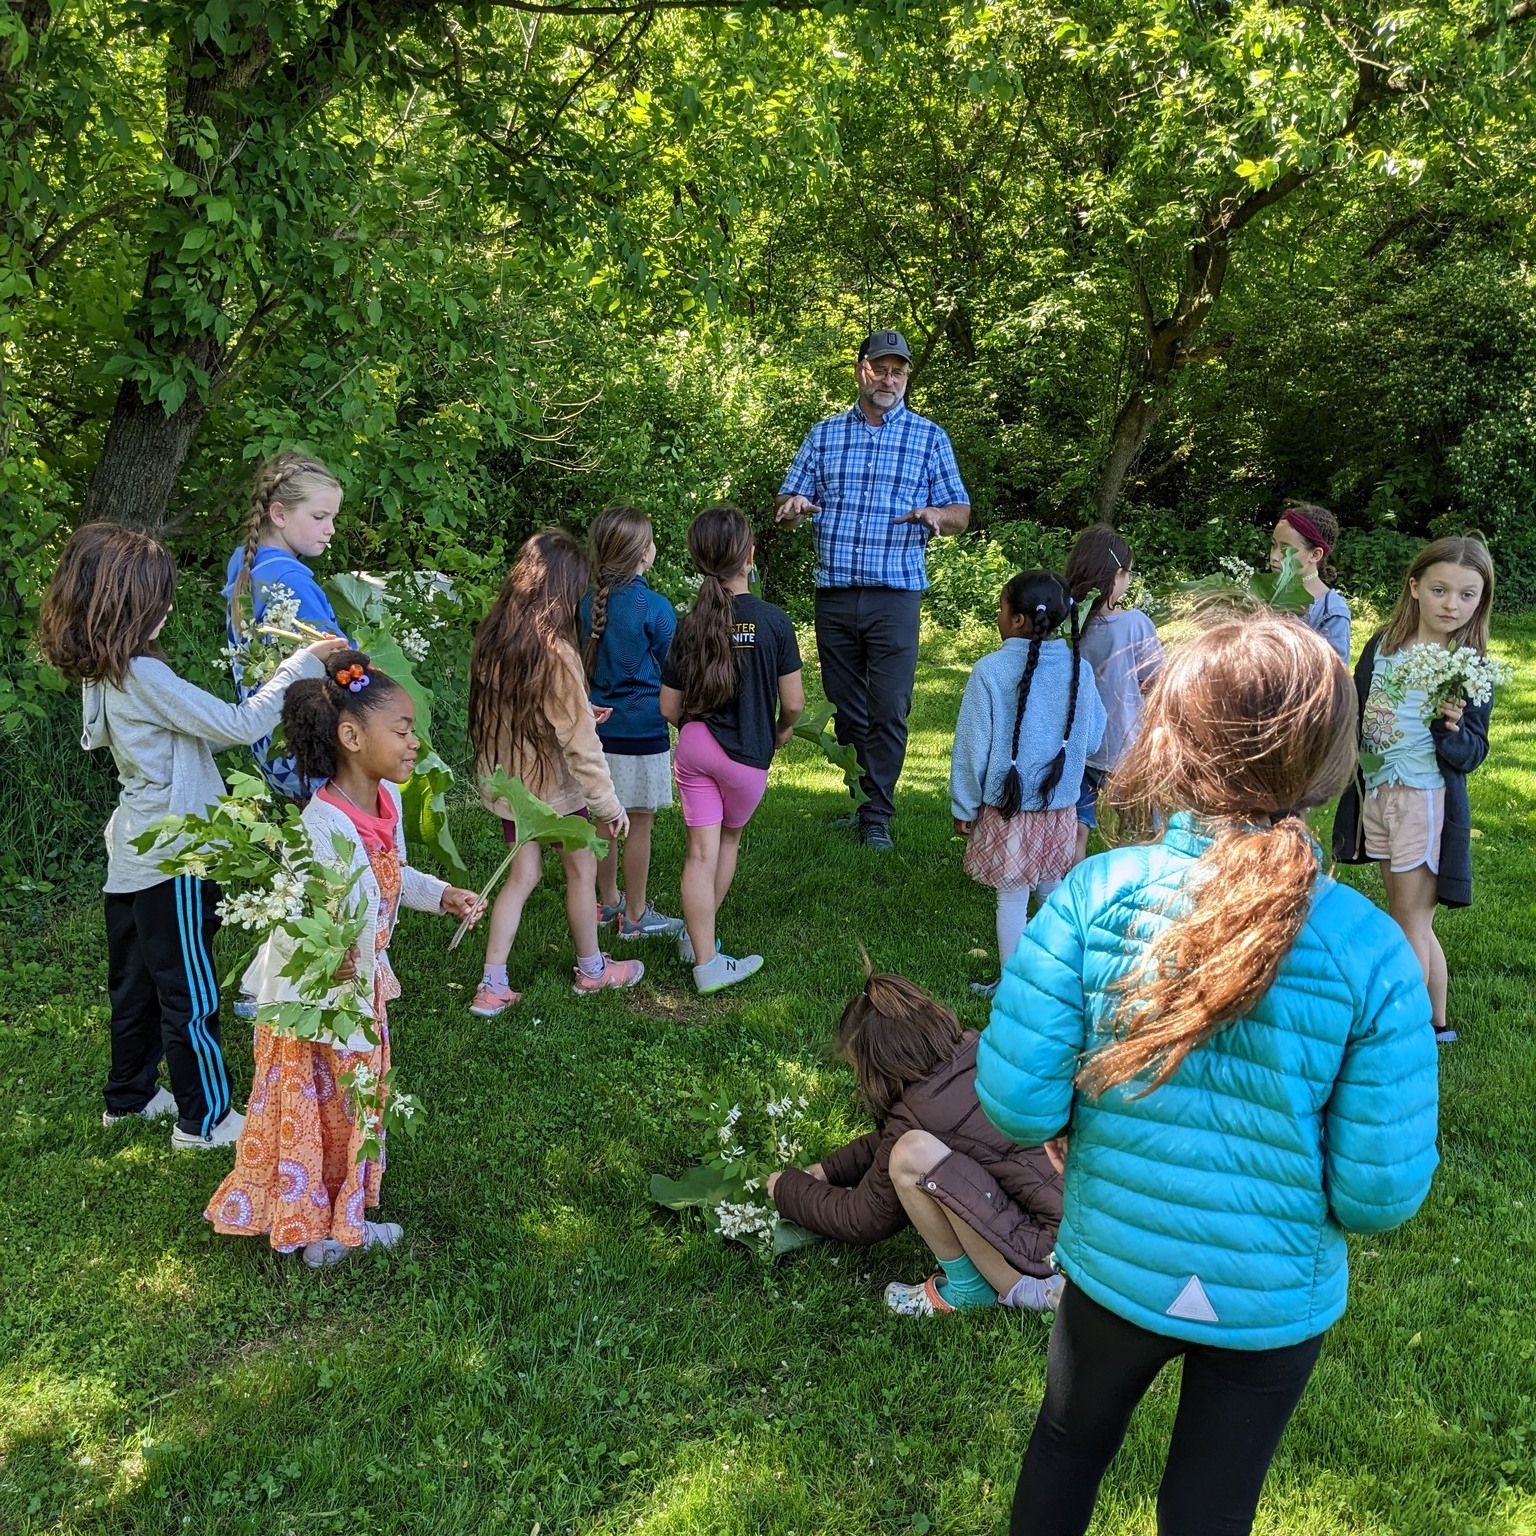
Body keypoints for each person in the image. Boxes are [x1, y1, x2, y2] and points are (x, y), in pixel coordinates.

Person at [977, 615, 1439, 1536]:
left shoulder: (1094, 893)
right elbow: (1378, 1193)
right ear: (1329, 756)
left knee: (1067, 1446)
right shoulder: (1372, 950)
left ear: (1170, 737)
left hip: (1117, 1262)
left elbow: (1018, 1104)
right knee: (1212, 1507)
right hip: (1272, 1291)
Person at [36, 523, 343, 1149]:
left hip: (131, 854)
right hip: (175, 858)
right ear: (129, 607)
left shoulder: (104, 674)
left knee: (135, 987)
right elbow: (236, 723)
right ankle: (205, 1120)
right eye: (160, 599)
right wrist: (295, 667)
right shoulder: (143, 676)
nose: (169, 607)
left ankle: (129, 1097)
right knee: (190, 992)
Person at [206, 651, 484, 1266]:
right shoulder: (322, 825)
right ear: (352, 737)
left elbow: (392, 873)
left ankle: (337, 1215)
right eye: (403, 730)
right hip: (319, 999)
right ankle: (314, 1231)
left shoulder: (384, 802)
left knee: (349, 1105)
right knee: (324, 1107)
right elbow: (341, 925)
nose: (415, 742)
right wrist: (362, 991)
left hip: (356, 989)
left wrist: (440, 895)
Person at [768, 964, 1062, 1317]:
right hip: (1098, 1257)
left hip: (1045, 1276)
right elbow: (891, 1137)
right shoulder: (977, 1049)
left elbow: (861, 1218)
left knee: (911, 1156)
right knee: (913, 1144)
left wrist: (784, 1188)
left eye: (857, 1070)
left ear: (878, 1068)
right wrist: (829, 1170)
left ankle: (968, 1293)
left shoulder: (916, 1115)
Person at [775, 328, 970, 851]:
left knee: (889, 705)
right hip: (835, 593)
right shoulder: (823, 435)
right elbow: (789, 503)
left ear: (906, 377)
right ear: (861, 369)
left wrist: (937, 515)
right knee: (845, 704)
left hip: (895, 595)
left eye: (898, 371)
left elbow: (960, 512)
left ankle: (877, 813)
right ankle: (866, 798)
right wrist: (793, 508)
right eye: (880, 368)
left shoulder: (929, 438)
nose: (889, 379)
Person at [467, 530, 643, 1013]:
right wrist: (608, 806)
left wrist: (581, 708)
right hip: (558, 792)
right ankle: (592, 970)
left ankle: (492, 984)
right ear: (563, 590)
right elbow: (581, 748)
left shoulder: (495, 639)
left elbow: (532, 711)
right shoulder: (556, 653)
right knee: (582, 870)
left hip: (512, 787)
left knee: (521, 876)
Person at [1332, 535, 1496, 1044]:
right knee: (1413, 920)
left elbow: (1472, 752)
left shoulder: (1468, 665)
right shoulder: (1384, 642)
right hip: (1379, 793)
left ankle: (1403, 1037)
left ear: (1482, 600)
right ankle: (1436, 1025)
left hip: (1424, 800)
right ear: (1415, 587)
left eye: (1468, 595)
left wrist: (1451, 730)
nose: (1453, 604)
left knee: (1409, 922)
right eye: (1441, 590)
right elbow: (1359, 713)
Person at [659, 505, 803, 995]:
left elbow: (668, 707)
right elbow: (795, 704)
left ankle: (702, 956)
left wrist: (699, 732)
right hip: (747, 759)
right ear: (750, 556)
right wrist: (781, 731)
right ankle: (706, 949)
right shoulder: (774, 621)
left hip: (695, 749)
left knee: (698, 854)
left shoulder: (689, 623)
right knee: (726, 844)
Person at [950, 571, 1105, 1000]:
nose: (998, 615)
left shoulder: (991, 670)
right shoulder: (1080, 670)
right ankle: (1063, 976)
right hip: (1059, 809)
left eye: (1002, 607)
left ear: (1018, 620)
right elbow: (1092, 739)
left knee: (1012, 899)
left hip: (1009, 809)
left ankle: (1014, 988)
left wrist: (964, 805)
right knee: (1050, 891)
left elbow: (972, 746)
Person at [578, 504, 684, 941]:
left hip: (597, 734)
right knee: (638, 824)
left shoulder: (586, 605)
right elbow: (674, 671)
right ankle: (637, 916)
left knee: (604, 821)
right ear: (643, 553)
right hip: (644, 733)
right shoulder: (656, 608)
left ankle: (607, 903)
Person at [223, 451, 350, 800]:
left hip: (272, 746)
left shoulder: (247, 569)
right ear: (279, 514)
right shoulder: (289, 581)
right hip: (314, 753)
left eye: (333, 517)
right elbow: (344, 668)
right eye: (320, 516)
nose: (330, 529)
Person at [1063, 524, 1162, 863]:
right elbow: (1155, 681)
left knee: (1076, 830)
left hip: (1078, 746)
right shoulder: (1135, 623)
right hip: (1124, 749)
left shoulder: (1070, 624)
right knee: (1141, 831)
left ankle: (1069, 895)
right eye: (1128, 573)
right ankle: (1139, 893)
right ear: (1117, 575)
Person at [1269, 501, 1351, 665]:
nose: (1274, 556)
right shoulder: (1265, 593)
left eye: (1286, 549)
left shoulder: (1331, 611)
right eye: (1273, 545)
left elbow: (1334, 677)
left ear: (1315, 554)